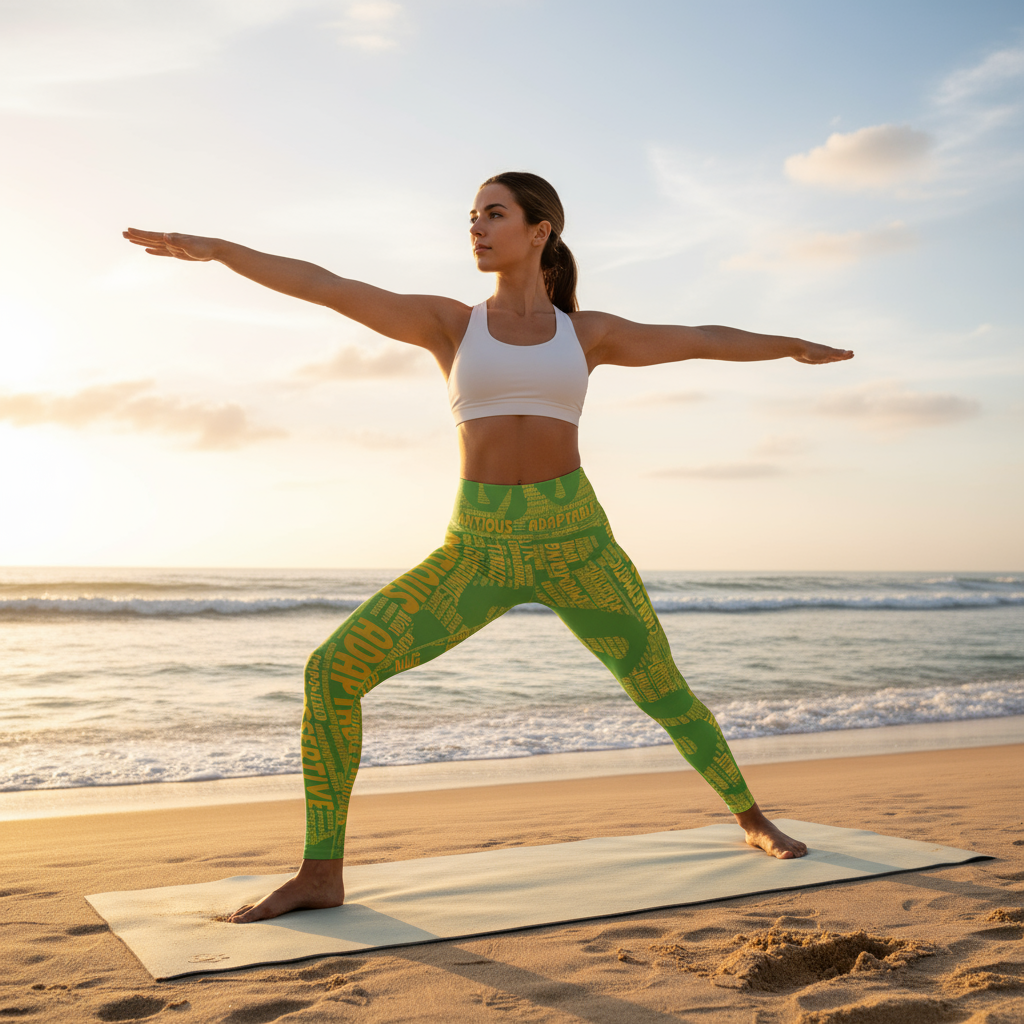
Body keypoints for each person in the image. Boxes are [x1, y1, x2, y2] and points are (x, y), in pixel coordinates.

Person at [124, 171, 853, 924]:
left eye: (493, 214)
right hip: (478, 550)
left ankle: (751, 818)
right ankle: (320, 872)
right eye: (471, 216)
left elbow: (703, 340)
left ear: (540, 231)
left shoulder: (587, 334)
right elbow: (326, 286)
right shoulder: (449, 324)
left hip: (577, 546)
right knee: (331, 673)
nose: (476, 227)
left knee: (663, 691)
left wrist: (791, 346)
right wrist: (219, 249)